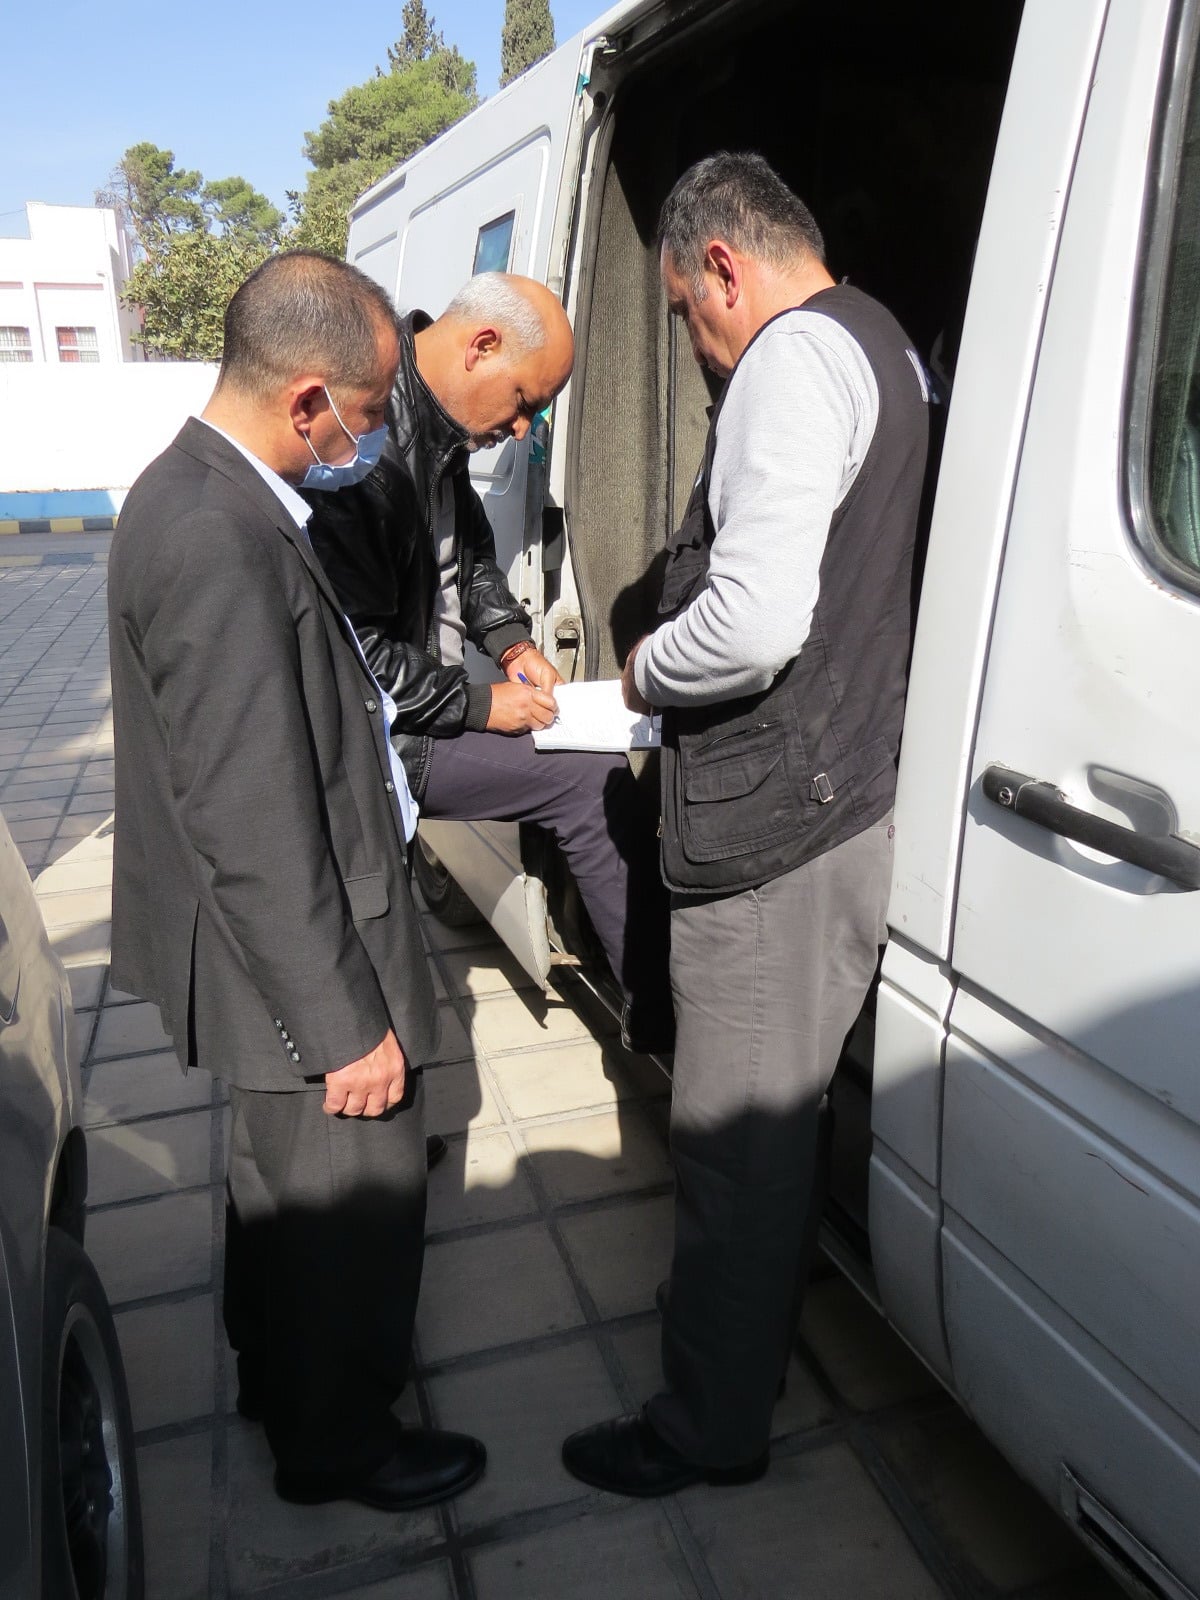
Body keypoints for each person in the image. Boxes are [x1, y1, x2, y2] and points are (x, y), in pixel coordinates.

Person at [561, 153, 930, 1494]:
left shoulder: (790, 358)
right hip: (839, 800)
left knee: (733, 1149)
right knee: (780, 1135)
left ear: (723, 265)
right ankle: (745, 1355)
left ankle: (704, 1427)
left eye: (683, 312)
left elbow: (758, 619)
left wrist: (643, 674)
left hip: (777, 829)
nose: (695, 343)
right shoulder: (884, 339)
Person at [107, 250, 486, 1511]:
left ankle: (278, 1379)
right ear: (309, 399)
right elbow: (247, 816)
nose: (370, 442)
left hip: (288, 924)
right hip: (301, 945)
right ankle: (338, 1445)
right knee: (348, 1198)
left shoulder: (208, 491)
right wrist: (340, 1024)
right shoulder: (214, 533)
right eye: (368, 415)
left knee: (281, 1185)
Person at [304, 272, 671, 1051]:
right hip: (382, 734)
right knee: (584, 779)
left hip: (420, 703)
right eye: (525, 400)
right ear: (482, 346)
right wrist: (480, 704)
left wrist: (512, 642)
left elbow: (467, 559)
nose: (523, 426)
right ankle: (661, 1020)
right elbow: (353, 652)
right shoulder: (367, 443)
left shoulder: (432, 424)